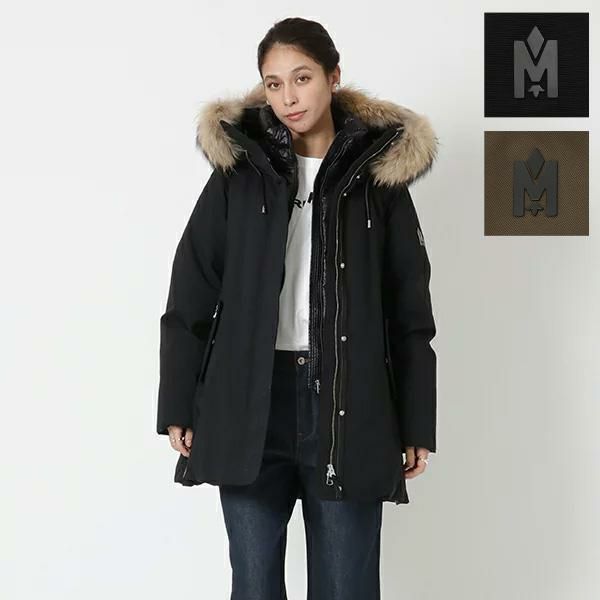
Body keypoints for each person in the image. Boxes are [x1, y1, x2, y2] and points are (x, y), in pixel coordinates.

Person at [156, 16, 438, 600]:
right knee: (254, 585)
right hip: (249, 405)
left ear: (333, 77)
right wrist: (178, 402)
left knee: (346, 586)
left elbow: (409, 310)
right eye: (274, 83)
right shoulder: (239, 175)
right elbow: (191, 290)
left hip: (348, 403)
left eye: (302, 78)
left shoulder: (377, 182)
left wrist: (416, 422)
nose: (288, 97)